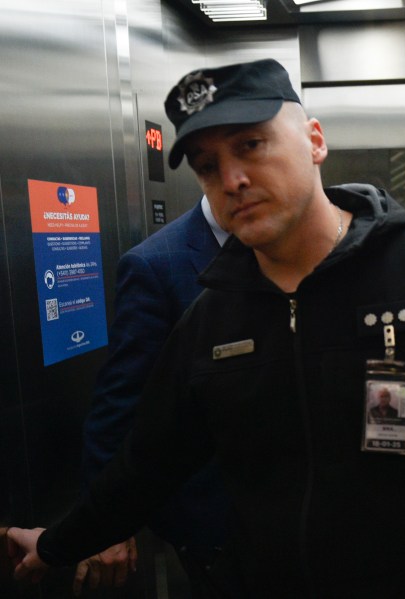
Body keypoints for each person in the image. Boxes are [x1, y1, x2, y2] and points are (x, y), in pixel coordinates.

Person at [7, 58, 405, 598]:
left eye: (251, 145)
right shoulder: (213, 317)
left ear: (314, 140)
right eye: (208, 166)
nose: (231, 179)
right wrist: (60, 544)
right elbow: (147, 463)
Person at [74, 194, 232, 597]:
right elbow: (118, 405)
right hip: (215, 523)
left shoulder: (287, 244)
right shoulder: (156, 264)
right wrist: (107, 527)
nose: (237, 178)